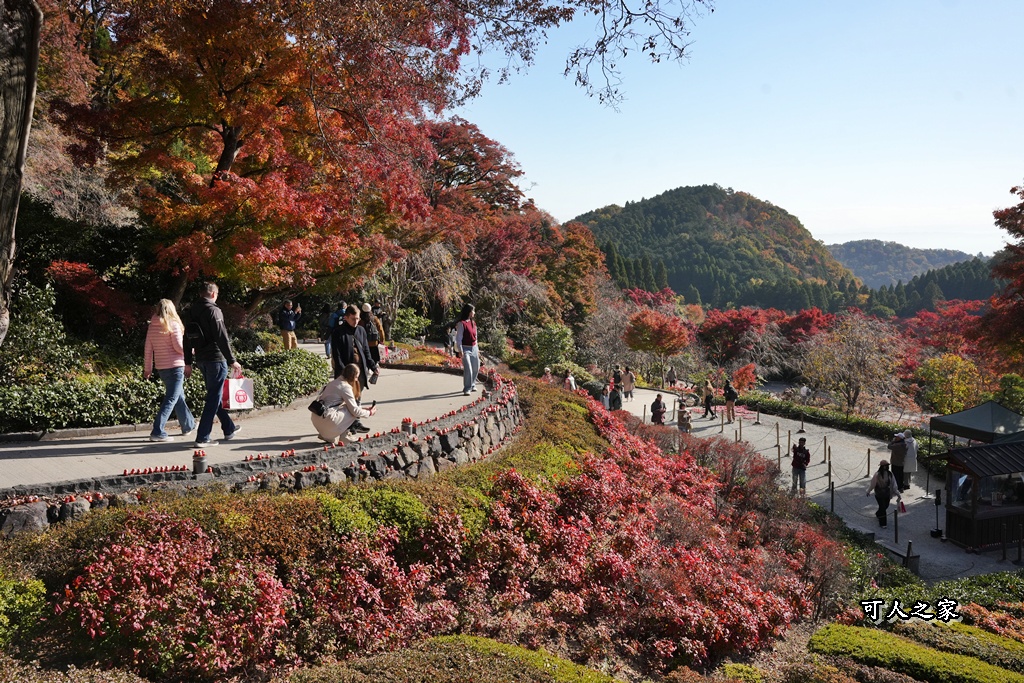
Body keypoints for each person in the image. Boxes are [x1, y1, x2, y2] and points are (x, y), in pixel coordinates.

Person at [184, 282, 242, 447]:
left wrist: (187, 362)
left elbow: (186, 338)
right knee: (213, 398)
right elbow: (221, 337)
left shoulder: (191, 311)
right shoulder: (214, 310)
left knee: (213, 395)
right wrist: (232, 360)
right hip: (215, 359)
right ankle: (203, 437)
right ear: (213, 294)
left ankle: (229, 428)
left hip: (201, 359)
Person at [143, 299, 196, 442]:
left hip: (162, 367)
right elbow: (179, 346)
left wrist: (147, 368)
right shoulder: (173, 324)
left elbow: (148, 349)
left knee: (178, 397)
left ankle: (188, 425)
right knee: (172, 398)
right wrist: (191, 351)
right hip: (176, 366)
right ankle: (157, 431)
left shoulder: (152, 326)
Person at [310, 363, 377, 445]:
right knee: (351, 410)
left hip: (317, 419)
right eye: (357, 377)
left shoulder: (334, 382)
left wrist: (363, 409)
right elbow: (355, 411)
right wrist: (369, 413)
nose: (357, 380)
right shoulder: (345, 387)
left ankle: (328, 435)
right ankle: (345, 436)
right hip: (327, 421)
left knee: (347, 407)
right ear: (353, 376)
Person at [455, 303, 480, 395]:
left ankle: (473, 384)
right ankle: (467, 388)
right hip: (465, 349)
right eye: (473, 311)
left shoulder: (473, 323)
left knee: (476, 367)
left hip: (474, 348)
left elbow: (475, 337)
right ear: (469, 312)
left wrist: (477, 349)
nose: (474, 313)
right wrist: (460, 350)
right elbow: (458, 338)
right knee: (468, 368)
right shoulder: (461, 324)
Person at [867, 459, 899, 528]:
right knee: (883, 508)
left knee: (885, 506)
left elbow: (894, 484)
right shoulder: (877, 474)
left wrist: (897, 493)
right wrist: (868, 491)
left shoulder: (890, 474)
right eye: (885, 466)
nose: (886, 467)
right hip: (879, 494)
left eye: (887, 465)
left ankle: (878, 514)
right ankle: (883, 523)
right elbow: (873, 484)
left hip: (887, 493)